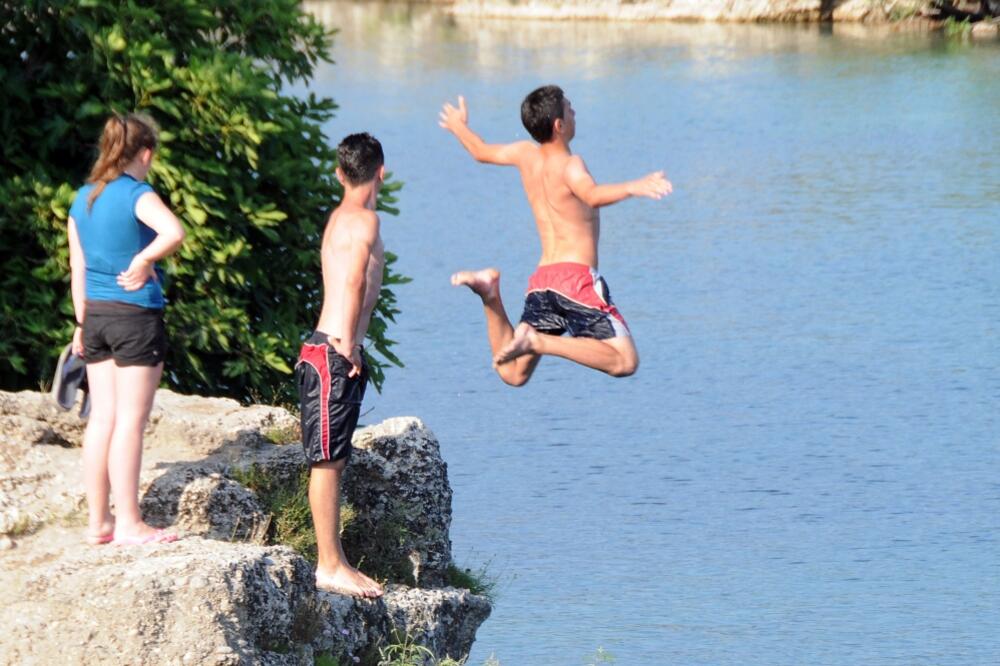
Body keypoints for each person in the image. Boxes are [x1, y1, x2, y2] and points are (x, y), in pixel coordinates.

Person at [439, 86, 672, 386]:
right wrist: (633, 186)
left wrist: (458, 125)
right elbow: (591, 194)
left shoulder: (525, 154)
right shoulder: (571, 165)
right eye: (569, 107)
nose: (575, 112)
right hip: (575, 279)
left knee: (512, 372)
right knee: (625, 360)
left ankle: (489, 294)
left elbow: (480, 152)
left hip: (543, 281)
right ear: (559, 125)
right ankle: (539, 342)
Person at [67, 113, 186, 545]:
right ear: (146, 153)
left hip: (95, 317)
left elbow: (77, 267)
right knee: (131, 422)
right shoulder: (139, 193)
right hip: (135, 317)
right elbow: (174, 231)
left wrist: (81, 323)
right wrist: (143, 260)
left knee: (102, 418)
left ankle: (99, 522)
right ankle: (130, 523)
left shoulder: (82, 199)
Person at [295, 133, 386, 598]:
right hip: (333, 350)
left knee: (334, 458)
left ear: (339, 174)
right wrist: (349, 344)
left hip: (324, 348)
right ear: (381, 173)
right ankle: (330, 565)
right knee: (327, 462)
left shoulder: (339, 217)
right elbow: (352, 282)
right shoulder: (364, 221)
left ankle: (334, 560)